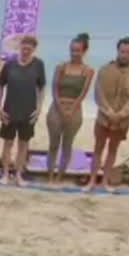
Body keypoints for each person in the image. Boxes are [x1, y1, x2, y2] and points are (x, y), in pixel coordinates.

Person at [88, 37, 129, 192]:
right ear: (117, 50)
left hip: (122, 120)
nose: (124, 55)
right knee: (98, 149)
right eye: (122, 51)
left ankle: (105, 181)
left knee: (113, 149)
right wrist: (109, 112)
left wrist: (122, 113)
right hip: (103, 117)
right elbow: (98, 93)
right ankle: (92, 180)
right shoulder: (105, 69)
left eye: (127, 52)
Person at [0, 35, 47, 186]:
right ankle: (5, 174)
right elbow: (0, 86)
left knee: (23, 145)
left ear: (34, 49)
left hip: (28, 111)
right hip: (9, 110)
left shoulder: (38, 65)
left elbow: (41, 87)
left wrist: (39, 108)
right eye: (24, 48)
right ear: (20, 47)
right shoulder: (10, 64)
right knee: (8, 143)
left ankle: (18, 175)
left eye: (29, 49)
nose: (26, 51)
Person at [45, 33, 95, 185]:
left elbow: (83, 94)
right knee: (53, 144)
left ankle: (60, 177)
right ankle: (50, 176)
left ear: (84, 51)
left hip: (75, 109)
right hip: (57, 107)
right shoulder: (61, 67)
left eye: (77, 50)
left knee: (67, 145)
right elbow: (54, 89)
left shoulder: (88, 71)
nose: (74, 53)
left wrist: (71, 110)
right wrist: (61, 108)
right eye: (72, 50)